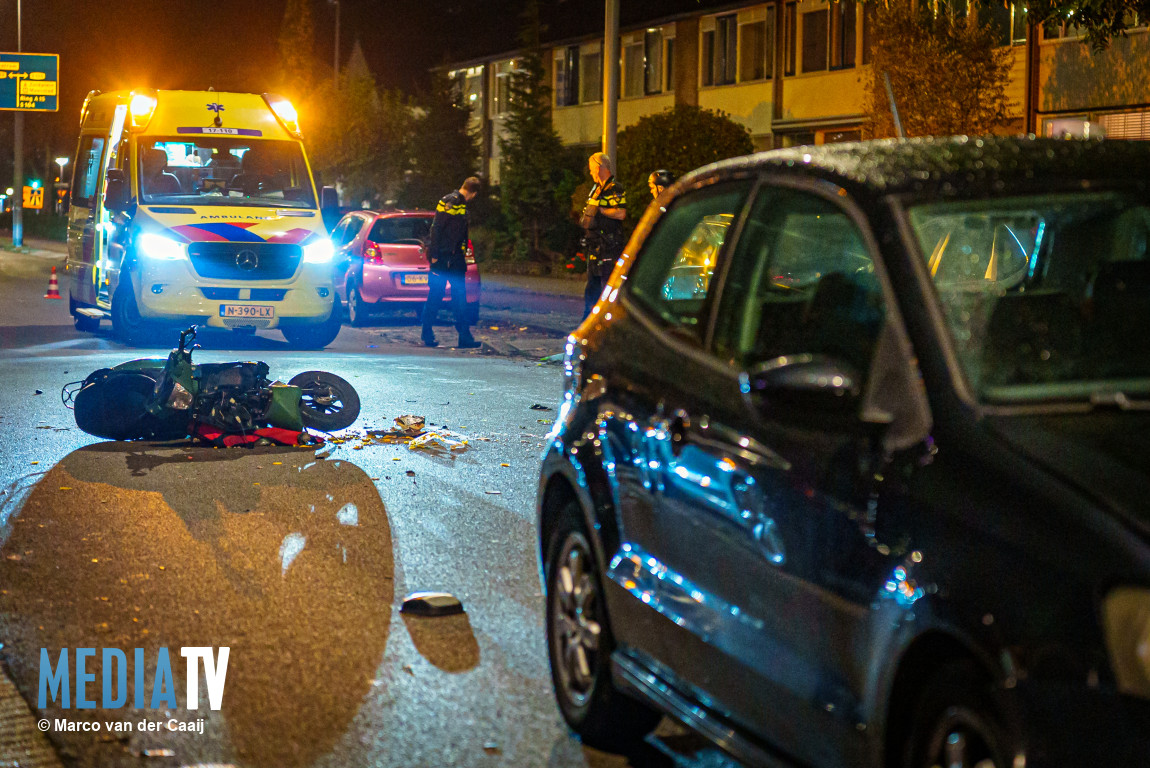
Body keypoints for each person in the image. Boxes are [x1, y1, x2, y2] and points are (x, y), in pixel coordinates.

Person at [421, 176, 483, 348]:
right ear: (473, 193)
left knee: (459, 298)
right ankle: (427, 333)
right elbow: (437, 228)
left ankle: (464, 337)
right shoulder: (449, 201)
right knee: (436, 296)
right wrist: (434, 255)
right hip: (442, 258)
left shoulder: (461, 205)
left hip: (455, 259)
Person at [580, 152, 627, 318]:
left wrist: (601, 211)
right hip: (595, 247)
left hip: (609, 247)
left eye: (592, 169)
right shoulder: (596, 189)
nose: (591, 173)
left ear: (600, 168)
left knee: (607, 286)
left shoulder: (615, 188)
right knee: (592, 287)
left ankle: (607, 322)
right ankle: (588, 321)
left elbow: (621, 213)